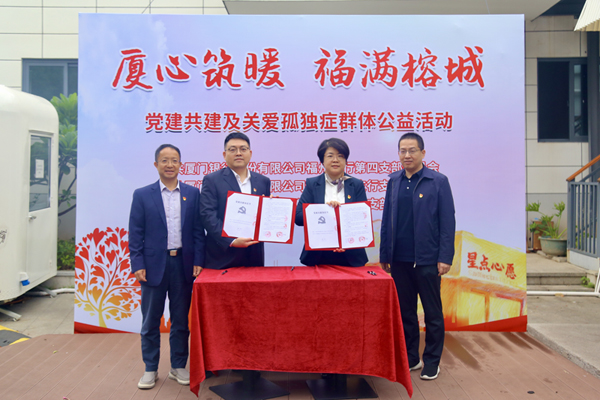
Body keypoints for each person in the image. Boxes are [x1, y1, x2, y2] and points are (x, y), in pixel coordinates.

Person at [379, 132, 455, 381]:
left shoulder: (438, 181)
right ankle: (412, 357)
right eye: (403, 151)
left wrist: (445, 257)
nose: (407, 155)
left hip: (427, 259)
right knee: (405, 313)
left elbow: (447, 222)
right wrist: (385, 253)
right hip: (399, 260)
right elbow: (387, 220)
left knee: (432, 313)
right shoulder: (394, 181)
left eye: (412, 150)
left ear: (423, 153)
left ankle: (432, 361)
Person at [129, 144, 205, 389]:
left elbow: (198, 231)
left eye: (174, 160)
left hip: (183, 264)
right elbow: (135, 233)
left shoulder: (192, 193)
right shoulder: (142, 194)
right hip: (152, 266)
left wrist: (198, 260)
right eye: (164, 160)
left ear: (181, 164)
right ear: (156, 165)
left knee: (180, 320)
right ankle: (150, 368)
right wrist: (137, 263)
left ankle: (178, 366)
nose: (170, 165)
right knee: (151, 320)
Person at [199, 132, 271, 269]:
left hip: (254, 256)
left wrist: (272, 207)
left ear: (250, 153)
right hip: (222, 257)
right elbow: (207, 215)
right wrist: (231, 240)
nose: (238, 153)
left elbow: (263, 219)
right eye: (232, 149)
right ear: (224, 154)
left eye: (243, 149)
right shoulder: (212, 180)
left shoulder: (263, 181)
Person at [295, 138, 368, 267]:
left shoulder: (356, 185)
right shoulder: (312, 184)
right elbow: (298, 217)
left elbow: (362, 220)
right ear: (322, 160)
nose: (335, 160)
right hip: (318, 255)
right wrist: (324, 211)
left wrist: (346, 241)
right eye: (330, 156)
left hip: (350, 254)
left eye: (340, 156)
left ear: (346, 160)